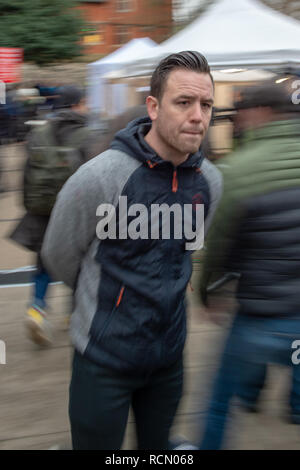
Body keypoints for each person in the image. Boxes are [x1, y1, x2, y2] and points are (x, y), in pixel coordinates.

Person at [41, 50, 222, 450]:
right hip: (103, 357)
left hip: (168, 357)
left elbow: (187, 250)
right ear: (154, 107)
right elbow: (58, 255)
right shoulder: (100, 177)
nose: (198, 116)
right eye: (184, 102)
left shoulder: (210, 182)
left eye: (206, 104)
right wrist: (101, 298)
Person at [196, 82, 300, 449]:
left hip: (259, 318)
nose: (238, 121)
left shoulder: (238, 171)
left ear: (261, 114)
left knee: (219, 404)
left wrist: (207, 294)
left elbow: (218, 247)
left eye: (242, 113)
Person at [10, 85, 97, 346]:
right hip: (74, 211)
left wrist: (30, 206)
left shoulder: (40, 132)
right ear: (78, 104)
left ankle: (36, 310)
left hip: (42, 209)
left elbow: (27, 172)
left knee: (43, 261)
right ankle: (74, 315)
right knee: (82, 262)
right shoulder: (88, 135)